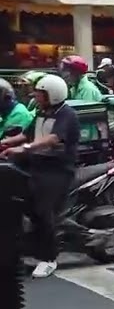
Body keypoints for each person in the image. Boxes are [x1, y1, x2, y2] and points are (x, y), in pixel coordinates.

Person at [0, 75, 79, 278]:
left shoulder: (66, 115)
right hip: (37, 165)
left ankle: (49, 258)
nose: (35, 96)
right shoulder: (41, 112)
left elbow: (52, 139)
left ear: (53, 95)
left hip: (57, 170)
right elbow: (25, 134)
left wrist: (24, 148)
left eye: (40, 93)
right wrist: (6, 143)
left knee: (43, 210)